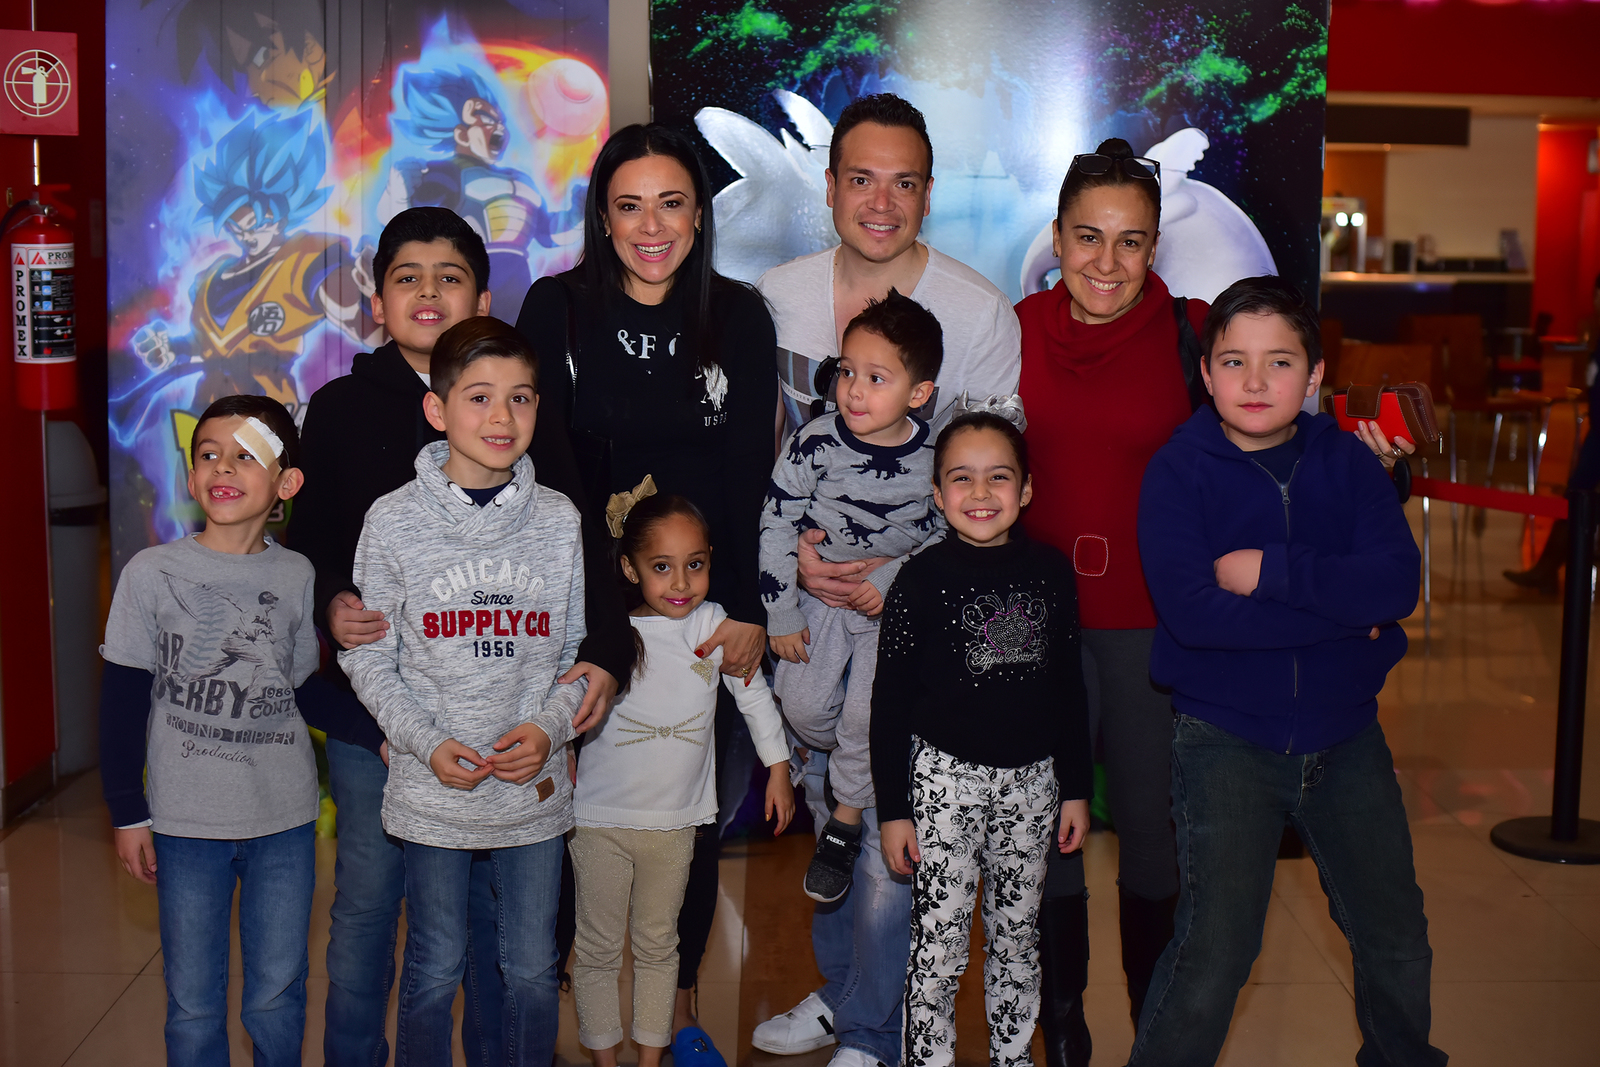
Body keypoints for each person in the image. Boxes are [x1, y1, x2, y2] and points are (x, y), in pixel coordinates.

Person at [1014, 139, 1405, 1057]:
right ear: (1058, 237)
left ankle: (1155, 1032)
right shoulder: (1010, 328)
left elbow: (1284, 435)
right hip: (1035, 622)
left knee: (1155, 841)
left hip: (1153, 625)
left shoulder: (1194, 333)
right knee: (1042, 833)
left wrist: (1374, 467)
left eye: (1131, 240)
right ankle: (1060, 1029)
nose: (1107, 261)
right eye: (1088, 236)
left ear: (1156, 246)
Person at [288, 206, 632, 1067]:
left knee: (500, 929)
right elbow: (310, 547)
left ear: (482, 297)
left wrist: (600, 659)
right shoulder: (338, 408)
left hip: (510, 724)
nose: (429, 291)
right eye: (408, 276)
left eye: (451, 276)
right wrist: (331, 602)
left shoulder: (525, 415)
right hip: (380, 714)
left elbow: (580, 562)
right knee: (370, 905)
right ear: (377, 301)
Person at [751, 92, 1020, 1067]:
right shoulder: (775, 297)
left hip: (914, 615)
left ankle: (873, 1029)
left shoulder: (977, 313)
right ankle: (845, 997)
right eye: (860, 178)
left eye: (902, 182)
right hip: (808, 605)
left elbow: (993, 485)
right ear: (828, 187)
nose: (880, 201)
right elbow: (762, 458)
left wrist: (900, 575)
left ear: (928, 194)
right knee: (831, 810)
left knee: (883, 829)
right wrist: (792, 564)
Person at [1130, 277, 1444, 1067]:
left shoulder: (1349, 463)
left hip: (1348, 736)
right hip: (1224, 741)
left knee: (1395, 934)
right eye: (1234, 360)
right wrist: (1343, 617)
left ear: (1314, 375)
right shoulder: (1177, 471)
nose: (1256, 380)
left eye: (1280, 361)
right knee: (1214, 952)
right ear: (1206, 373)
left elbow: (1395, 586)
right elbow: (1196, 616)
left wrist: (1270, 571)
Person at [515, 122, 778, 1050]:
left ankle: (678, 1018)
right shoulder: (556, 309)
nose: (652, 225)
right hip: (584, 610)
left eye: (671, 203)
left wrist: (744, 609)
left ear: (700, 214)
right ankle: (576, 1011)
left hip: (699, 615)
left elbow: (746, 475)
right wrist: (591, 627)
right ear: (603, 217)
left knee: (690, 820)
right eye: (630, 206)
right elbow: (546, 475)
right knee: (570, 813)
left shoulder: (738, 317)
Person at [99, 394, 377, 1065]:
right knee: (193, 999)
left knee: (276, 993)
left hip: (283, 822)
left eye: (246, 455)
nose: (223, 466)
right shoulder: (151, 574)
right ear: (193, 476)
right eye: (209, 454)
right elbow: (121, 702)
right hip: (184, 823)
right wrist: (127, 811)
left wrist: (383, 735)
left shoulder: (297, 575)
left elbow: (299, 688)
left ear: (286, 483)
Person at [338, 317, 586, 1066]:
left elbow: (575, 658)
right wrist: (425, 742)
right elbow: (368, 656)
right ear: (437, 409)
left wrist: (548, 730)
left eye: (520, 397)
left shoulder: (559, 520)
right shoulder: (392, 521)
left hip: (531, 792)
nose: (501, 417)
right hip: (431, 789)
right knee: (435, 964)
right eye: (479, 397)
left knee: (533, 968)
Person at [871, 408, 1092, 1067]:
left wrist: (1076, 789)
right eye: (961, 478)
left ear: (1026, 488)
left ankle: (1013, 1056)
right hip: (944, 785)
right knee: (939, 948)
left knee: (1017, 941)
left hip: (1033, 786)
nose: (980, 492)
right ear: (937, 493)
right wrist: (893, 810)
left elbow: (1069, 689)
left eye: (999, 476)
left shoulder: (1052, 572)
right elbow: (889, 705)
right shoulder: (917, 580)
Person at [571, 491, 795, 1067]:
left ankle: (651, 1060)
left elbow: (755, 699)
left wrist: (778, 768)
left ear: (711, 560)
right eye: (661, 567)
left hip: (676, 827)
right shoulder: (607, 633)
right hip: (597, 823)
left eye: (694, 564)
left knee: (658, 949)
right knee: (596, 953)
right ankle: (603, 1060)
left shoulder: (714, 625)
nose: (680, 583)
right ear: (630, 569)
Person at [759, 289, 944, 903]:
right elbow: (777, 522)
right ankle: (849, 760)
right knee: (803, 707)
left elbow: (947, 535)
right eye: (846, 372)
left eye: (876, 378)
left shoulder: (936, 457)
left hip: (892, 615)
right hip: (817, 606)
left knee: (868, 716)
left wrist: (890, 580)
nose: (854, 391)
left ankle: (845, 817)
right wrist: (781, 611)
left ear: (919, 393)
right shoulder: (814, 441)